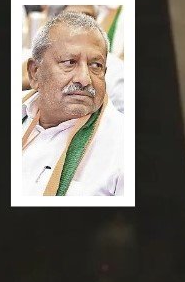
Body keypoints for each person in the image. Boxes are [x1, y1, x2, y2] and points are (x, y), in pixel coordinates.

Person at [21, 11, 125, 197]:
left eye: (96, 65)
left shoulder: (125, 143)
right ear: (35, 72)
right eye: (70, 62)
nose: (85, 80)